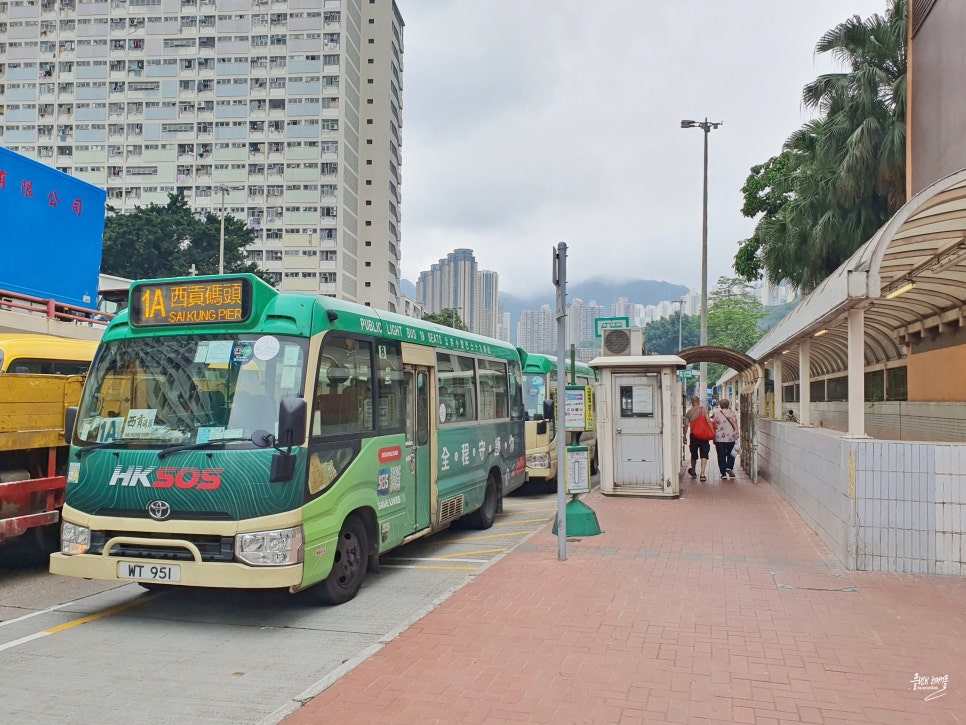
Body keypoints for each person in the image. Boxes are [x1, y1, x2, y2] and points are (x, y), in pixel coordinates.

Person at [683, 395, 711, 482]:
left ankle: (694, 471)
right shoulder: (704, 409)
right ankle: (702, 474)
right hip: (703, 434)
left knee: (693, 453)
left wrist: (684, 436)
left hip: (693, 435)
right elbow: (708, 420)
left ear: (691, 402)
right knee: (704, 453)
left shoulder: (689, 412)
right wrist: (712, 431)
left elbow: (686, 425)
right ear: (698, 401)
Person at [712, 399, 739, 479]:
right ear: (728, 405)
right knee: (732, 453)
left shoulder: (716, 414)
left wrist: (714, 436)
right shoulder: (732, 413)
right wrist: (737, 433)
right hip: (731, 437)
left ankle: (723, 473)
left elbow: (714, 425)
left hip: (719, 438)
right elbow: (734, 423)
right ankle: (729, 467)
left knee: (721, 455)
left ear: (720, 405)